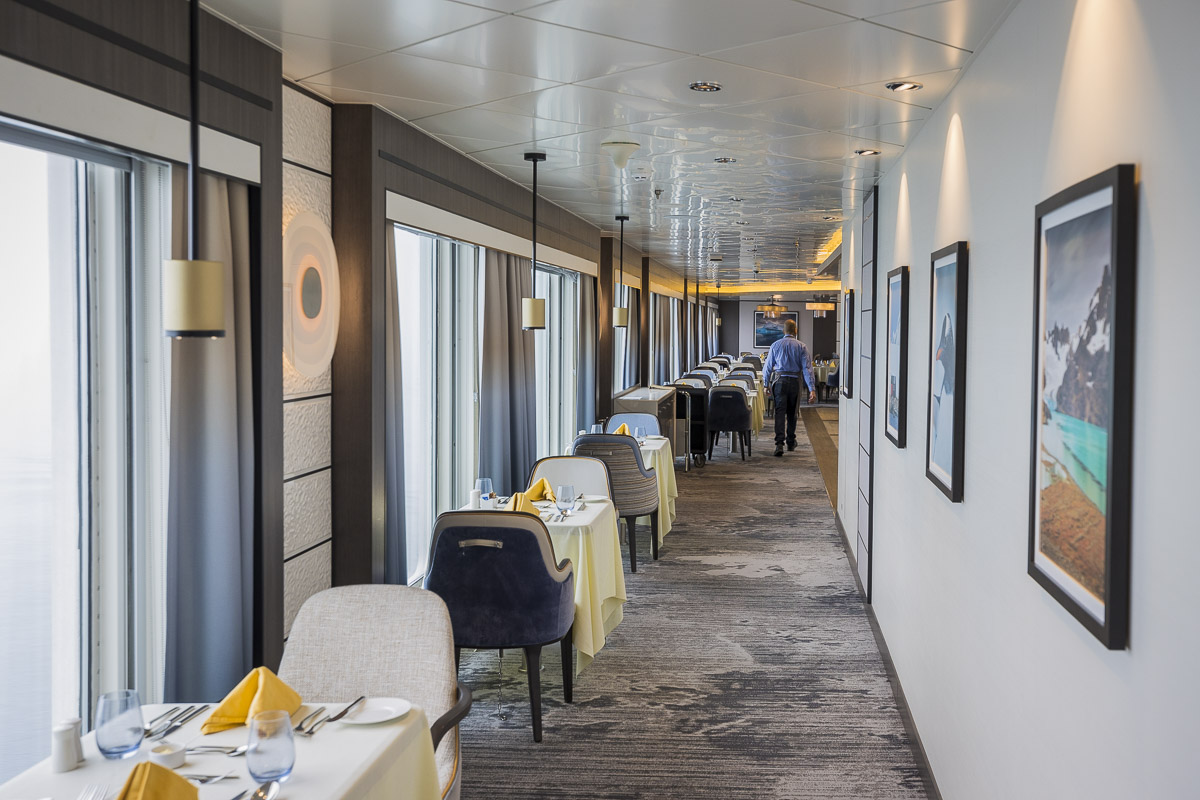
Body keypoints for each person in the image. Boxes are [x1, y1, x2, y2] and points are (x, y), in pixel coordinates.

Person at [762, 318, 817, 457]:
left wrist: (765, 384)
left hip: (779, 381)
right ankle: (791, 442)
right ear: (796, 331)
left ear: (783, 331)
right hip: (794, 382)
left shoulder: (775, 345)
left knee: (779, 412)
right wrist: (811, 389)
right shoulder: (802, 346)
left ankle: (779, 444)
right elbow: (807, 369)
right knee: (793, 413)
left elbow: (767, 367)